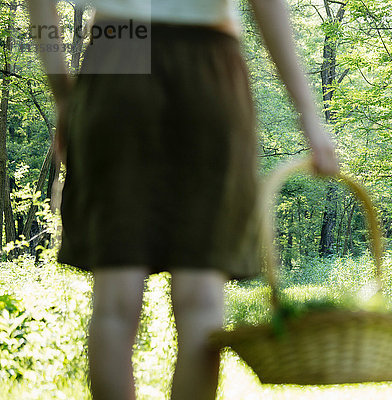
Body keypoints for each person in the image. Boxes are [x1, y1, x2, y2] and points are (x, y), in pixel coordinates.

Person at [26, 0, 339, 399]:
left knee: (115, 306)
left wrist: (64, 95)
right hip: (208, 59)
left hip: (117, 49)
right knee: (201, 303)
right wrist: (309, 113)